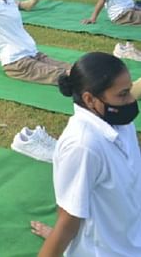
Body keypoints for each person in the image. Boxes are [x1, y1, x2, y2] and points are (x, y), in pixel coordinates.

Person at [30, 52, 141, 256]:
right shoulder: (82, 147)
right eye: (123, 94)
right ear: (90, 99)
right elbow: (67, 223)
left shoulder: (119, 120)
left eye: (129, 90)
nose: (131, 100)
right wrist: (63, 240)